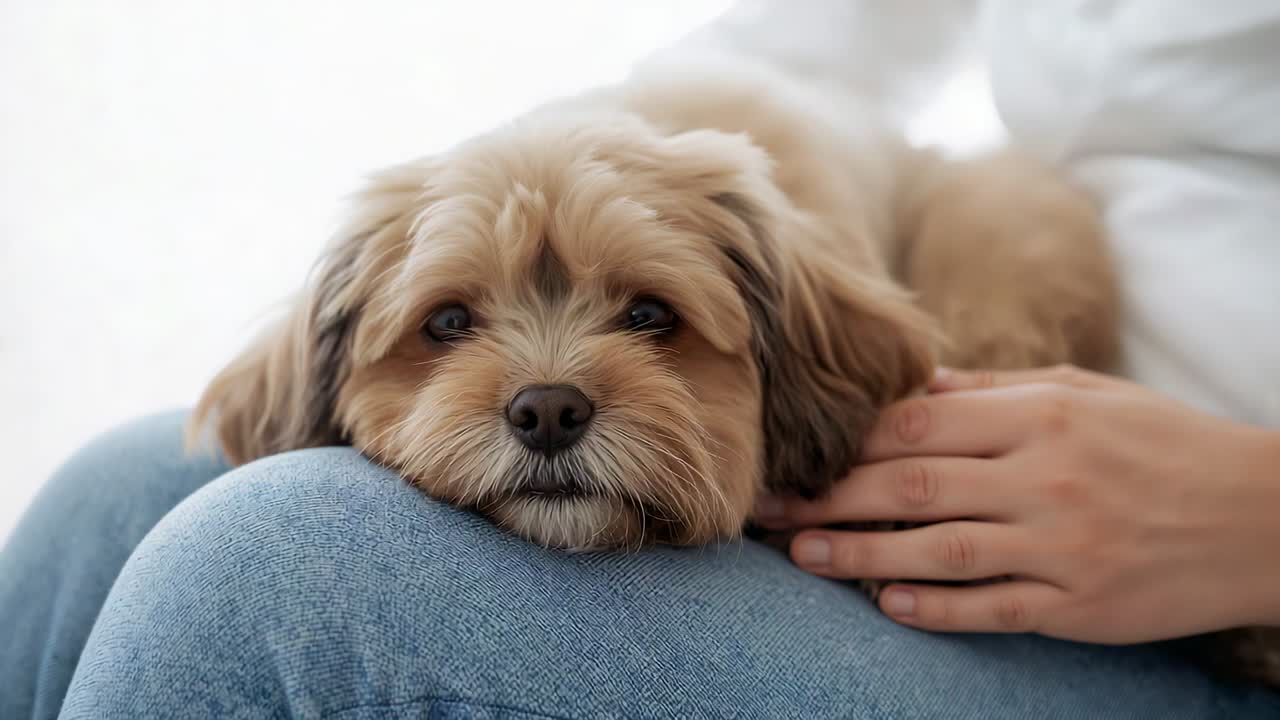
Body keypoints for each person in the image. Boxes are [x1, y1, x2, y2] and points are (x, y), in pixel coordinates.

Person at [4, 2, 1279, 717]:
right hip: (1012, 450)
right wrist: (596, 155)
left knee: (269, 570)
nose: (547, 389)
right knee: (114, 494)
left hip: (1212, 603)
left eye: (649, 322)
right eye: (451, 327)